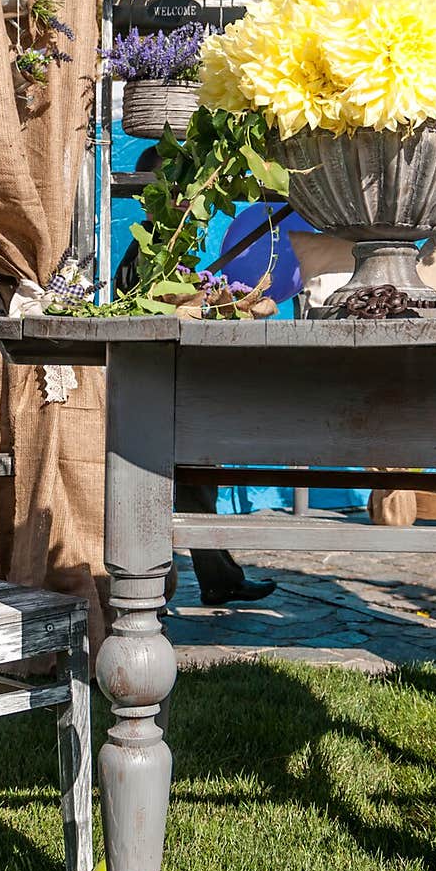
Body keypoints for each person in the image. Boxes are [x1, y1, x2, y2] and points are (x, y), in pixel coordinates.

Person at [115, 147, 276, 605]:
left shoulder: (169, 243)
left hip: (176, 385)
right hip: (161, 389)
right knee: (186, 485)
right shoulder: (147, 249)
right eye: (174, 188)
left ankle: (218, 577)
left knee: (200, 484)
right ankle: (168, 583)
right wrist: (217, 304)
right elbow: (164, 307)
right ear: (149, 196)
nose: (185, 198)